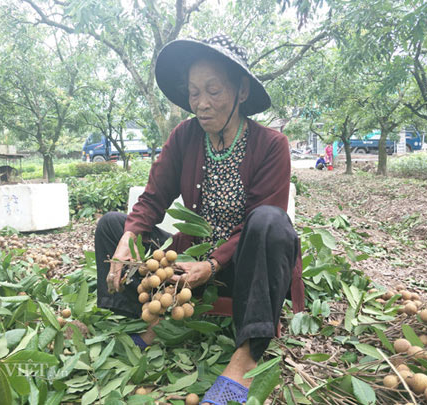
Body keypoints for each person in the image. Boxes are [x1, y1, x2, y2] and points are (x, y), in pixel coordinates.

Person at [94, 34, 304, 404]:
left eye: (213, 91)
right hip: (189, 267)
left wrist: (213, 262)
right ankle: (147, 322)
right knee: (113, 225)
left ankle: (246, 356)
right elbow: (153, 197)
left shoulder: (271, 145)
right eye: (194, 93)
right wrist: (129, 237)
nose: (202, 104)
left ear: (240, 92)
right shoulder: (185, 136)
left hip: (243, 268)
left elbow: (262, 218)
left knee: (271, 222)